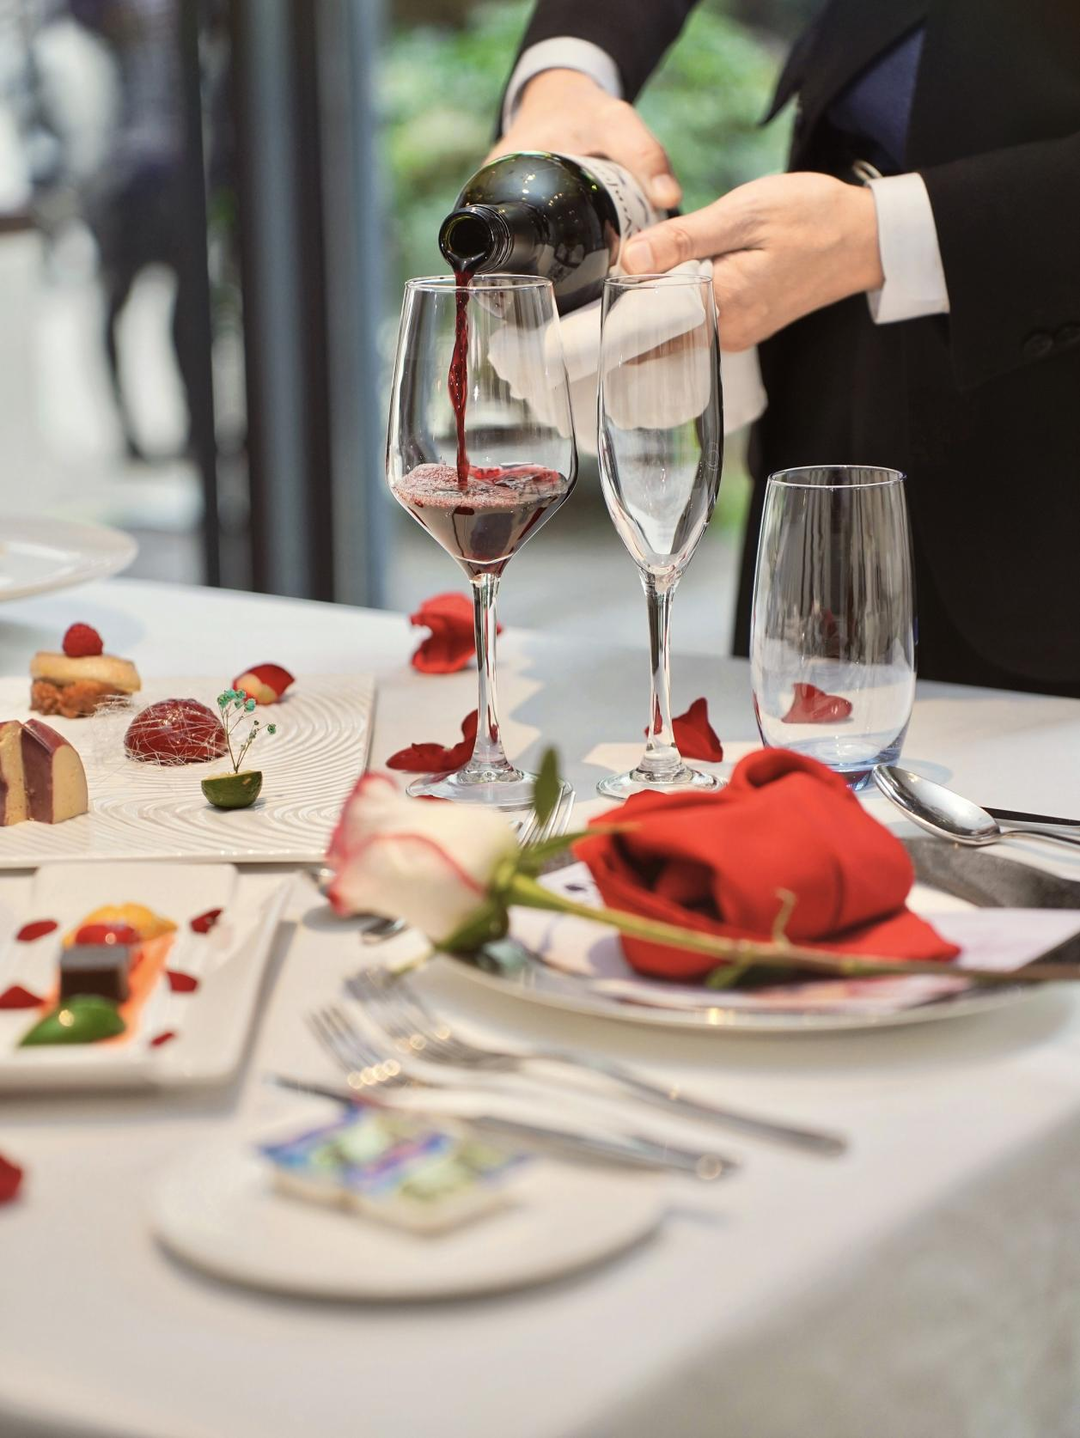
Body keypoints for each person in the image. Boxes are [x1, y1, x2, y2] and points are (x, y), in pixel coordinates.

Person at [489, 1, 1080, 696]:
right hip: (819, 366)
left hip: (1049, 448)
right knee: (793, 734)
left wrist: (888, 236)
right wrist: (564, 72)